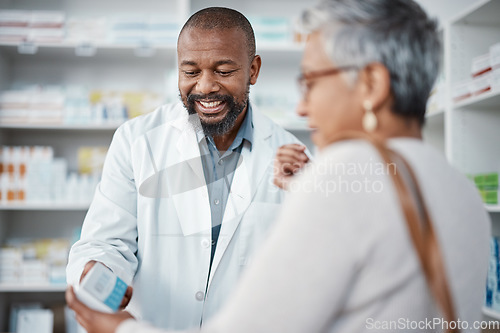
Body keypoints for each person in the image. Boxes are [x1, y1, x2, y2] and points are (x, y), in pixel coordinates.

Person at [66, 0, 492, 332]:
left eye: (310, 82)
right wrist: (97, 269)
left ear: (371, 85)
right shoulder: (462, 191)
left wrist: (118, 330)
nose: (303, 107)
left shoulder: (334, 172)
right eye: (190, 70)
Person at [66, 6, 309, 331]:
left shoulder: (291, 157)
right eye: (191, 72)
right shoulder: (137, 140)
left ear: (253, 70)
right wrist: (98, 269)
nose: (205, 87)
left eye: (223, 71)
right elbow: (106, 242)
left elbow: (303, 268)